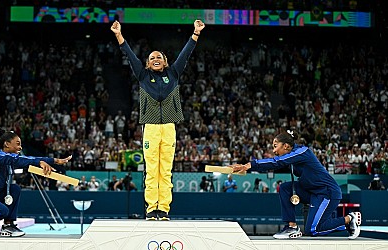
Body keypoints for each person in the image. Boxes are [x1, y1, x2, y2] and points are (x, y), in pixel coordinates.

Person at [111, 19, 205, 221]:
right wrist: (119, 35)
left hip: (169, 127)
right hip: (151, 127)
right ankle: (151, 208)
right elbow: (128, 54)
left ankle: (164, 209)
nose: (155, 59)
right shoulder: (143, 75)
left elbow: (185, 54)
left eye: (159, 57)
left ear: (165, 62)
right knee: (152, 170)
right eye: (152, 57)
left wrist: (195, 33)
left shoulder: (173, 73)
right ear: (147, 63)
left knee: (166, 170)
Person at [231, 130, 361, 240]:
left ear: (286, 146)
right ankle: (292, 227)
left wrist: (248, 165)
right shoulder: (291, 154)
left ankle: (349, 219)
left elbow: (277, 162)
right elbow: (277, 162)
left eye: (276, 146)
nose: (274, 150)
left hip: (327, 192)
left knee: (313, 230)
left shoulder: (302, 151)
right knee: (285, 188)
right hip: (311, 191)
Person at [0, 125, 72, 237]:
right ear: (7, 144)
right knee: (2, 211)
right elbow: (19, 160)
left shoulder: (9, 162)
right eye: (18, 144)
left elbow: (23, 162)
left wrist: (48, 163)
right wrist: (48, 160)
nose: (20, 147)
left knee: (15, 189)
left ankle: (8, 225)